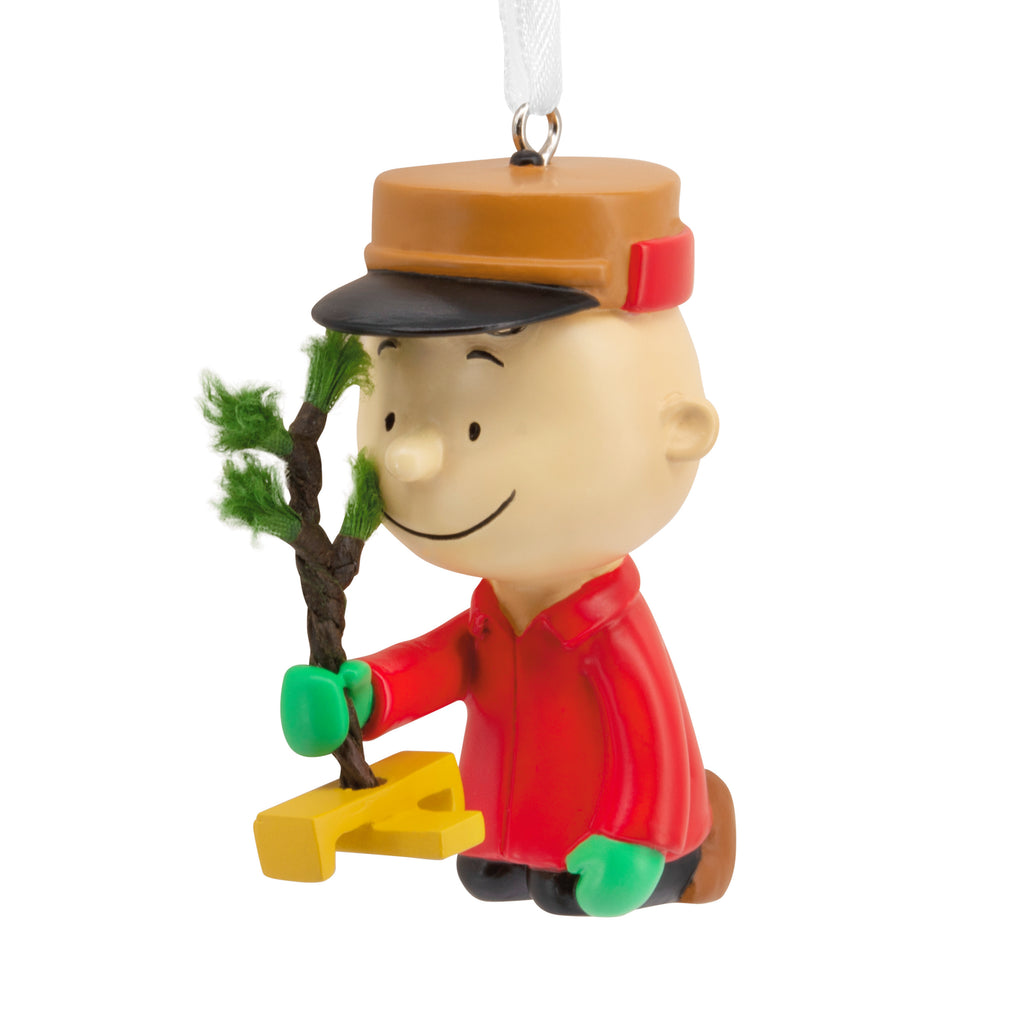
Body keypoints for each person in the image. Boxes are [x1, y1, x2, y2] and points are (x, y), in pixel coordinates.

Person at [280, 155, 736, 916]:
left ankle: (687, 858)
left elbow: (648, 733)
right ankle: (515, 847)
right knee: (484, 874)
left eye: (475, 426)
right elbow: (450, 661)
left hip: (610, 838)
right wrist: (367, 694)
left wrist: (639, 839)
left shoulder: (607, 631)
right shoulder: (494, 613)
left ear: (679, 430)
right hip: (496, 827)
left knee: (566, 895)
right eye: (391, 414)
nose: (408, 456)